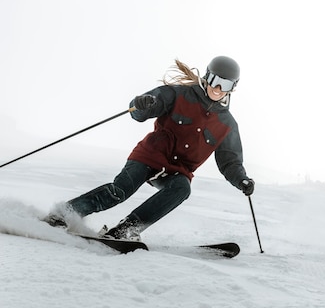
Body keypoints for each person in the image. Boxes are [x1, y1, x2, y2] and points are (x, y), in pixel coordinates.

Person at [45, 56, 255, 241]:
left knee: (182, 189)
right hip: (150, 156)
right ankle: (63, 214)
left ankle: (125, 231)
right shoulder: (179, 94)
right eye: (215, 81)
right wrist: (142, 104)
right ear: (207, 77)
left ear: (232, 88)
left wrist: (241, 180)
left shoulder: (227, 125)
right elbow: (139, 111)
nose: (217, 89)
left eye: (225, 85)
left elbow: (230, 162)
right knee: (120, 191)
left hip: (177, 171)